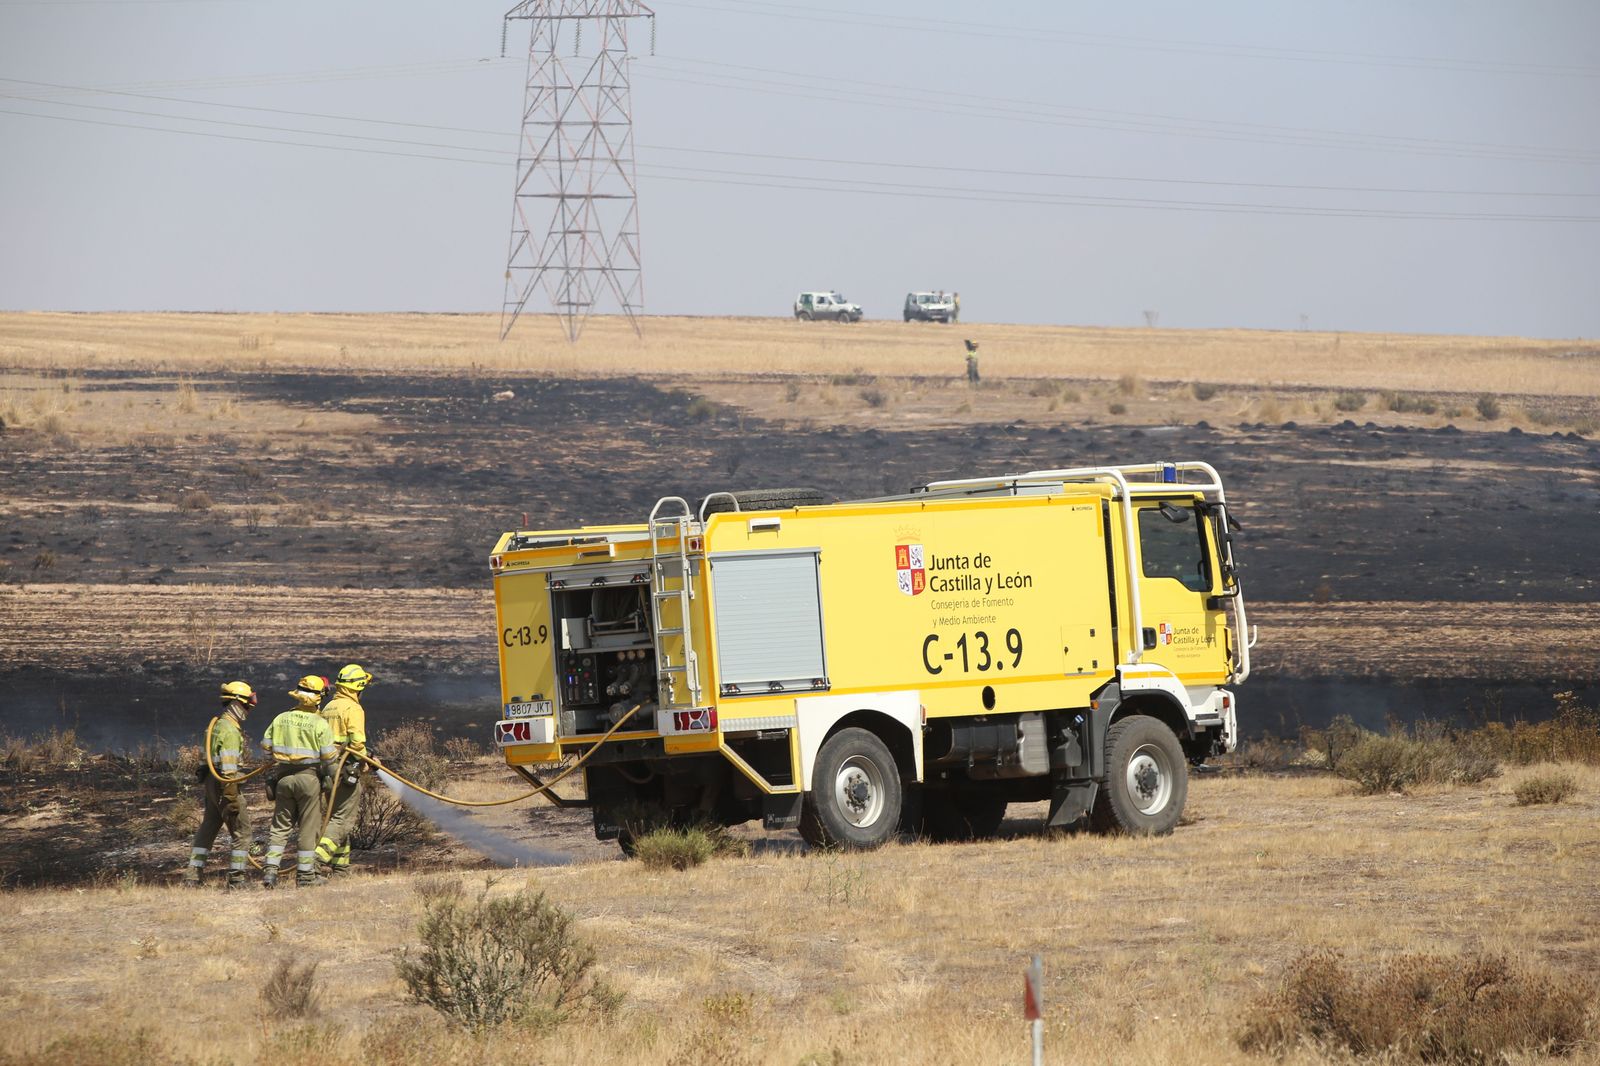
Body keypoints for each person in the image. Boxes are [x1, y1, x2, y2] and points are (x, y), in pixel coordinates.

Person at [259, 682, 337, 889]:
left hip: (283, 779)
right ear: (319, 698)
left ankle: (269, 873)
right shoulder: (320, 724)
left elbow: (266, 748)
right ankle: (305, 877)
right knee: (307, 829)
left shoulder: (280, 718)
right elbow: (329, 758)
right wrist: (331, 779)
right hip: (309, 779)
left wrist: (276, 764)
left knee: (280, 827)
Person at [184, 681, 256, 888]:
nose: (248, 709)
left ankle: (192, 876)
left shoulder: (216, 725)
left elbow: (204, 761)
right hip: (225, 785)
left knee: (208, 828)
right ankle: (236, 879)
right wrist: (232, 797)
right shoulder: (230, 731)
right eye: (246, 705)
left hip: (211, 784)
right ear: (235, 703)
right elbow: (228, 769)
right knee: (243, 832)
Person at [315, 664, 374, 877]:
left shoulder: (329, 706)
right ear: (358, 687)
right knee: (343, 820)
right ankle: (316, 861)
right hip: (344, 769)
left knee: (336, 817)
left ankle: (340, 869)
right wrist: (365, 761)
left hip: (327, 770)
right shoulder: (353, 708)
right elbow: (357, 743)